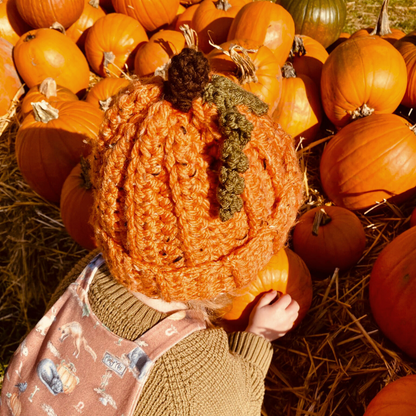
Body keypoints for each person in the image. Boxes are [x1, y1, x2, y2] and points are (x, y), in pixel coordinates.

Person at [0, 48, 303, 416]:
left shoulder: (87, 275)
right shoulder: (193, 379)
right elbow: (239, 404)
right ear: (233, 261)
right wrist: (257, 339)